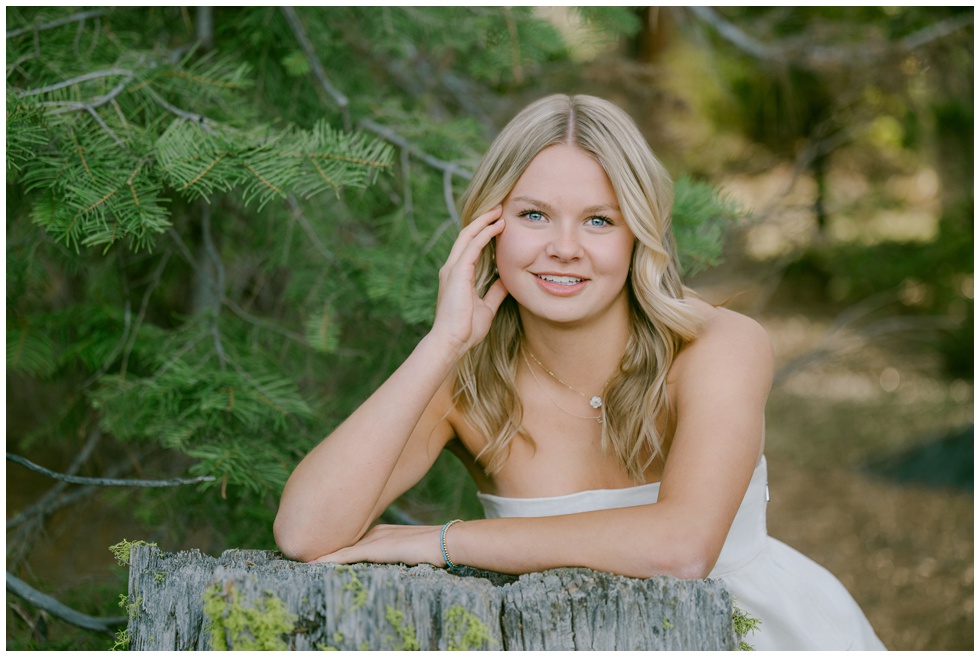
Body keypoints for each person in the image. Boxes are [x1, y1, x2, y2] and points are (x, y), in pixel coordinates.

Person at [274, 94, 886, 650]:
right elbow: (306, 532)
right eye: (534, 215)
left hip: (753, 632)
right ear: (489, 228)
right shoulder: (463, 378)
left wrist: (437, 542)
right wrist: (443, 342)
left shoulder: (718, 345)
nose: (564, 247)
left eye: (598, 220)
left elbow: (682, 547)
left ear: (637, 237)